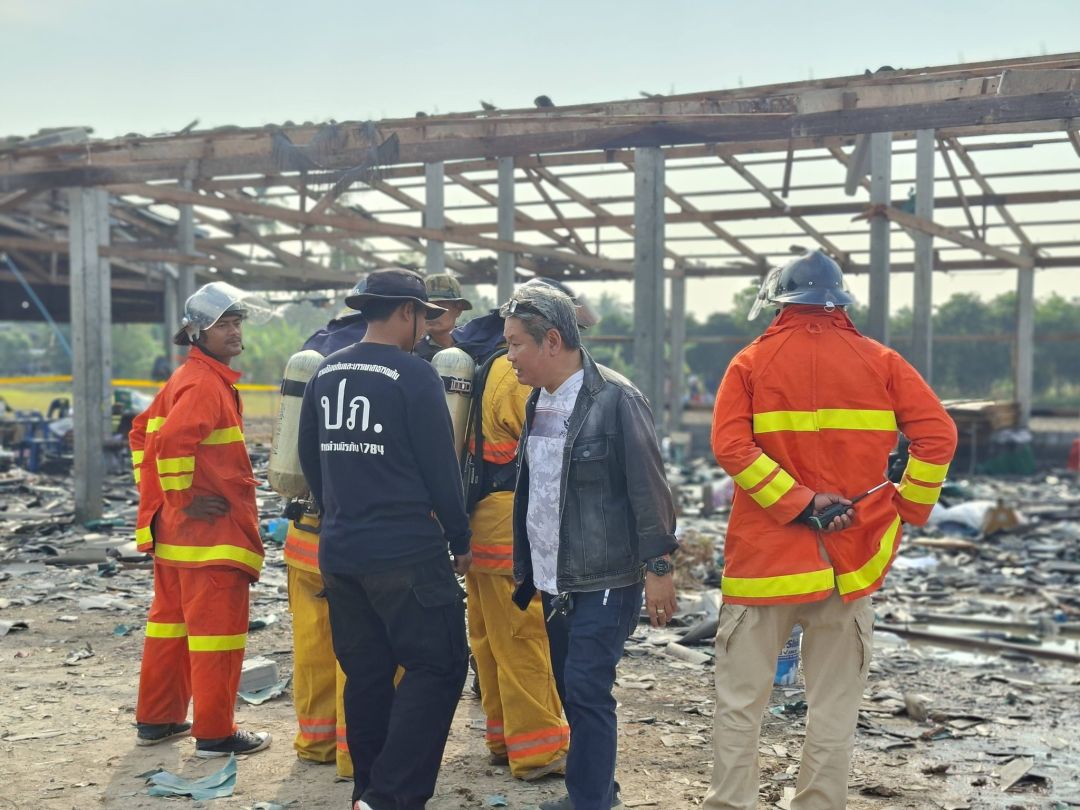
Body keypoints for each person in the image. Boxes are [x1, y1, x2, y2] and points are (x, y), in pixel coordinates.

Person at [704, 250, 958, 810]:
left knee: (742, 701)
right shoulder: (882, 362)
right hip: (851, 560)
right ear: (839, 302)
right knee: (834, 707)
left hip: (765, 563)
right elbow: (938, 435)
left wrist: (797, 502)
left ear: (778, 303)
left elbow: (731, 447)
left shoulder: (749, 363)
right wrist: (907, 507)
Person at [297, 268, 473, 810]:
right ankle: (391, 797)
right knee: (439, 663)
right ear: (405, 312)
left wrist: (342, 509)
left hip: (341, 550)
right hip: (405, 552)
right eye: (424, 316)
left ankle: (368, 791)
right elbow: (441, 469)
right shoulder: (415, 376)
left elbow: (308, 457)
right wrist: (460, 535)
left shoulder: (325, 372)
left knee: (367, 672)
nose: (426, 328)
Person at [505, 284, 678, 810]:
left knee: (585, 688)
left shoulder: (615, 399)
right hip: (554, 578)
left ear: (552, 340)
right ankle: (595, 791)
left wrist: (660, 566)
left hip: (606, 577)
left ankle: (590, 803)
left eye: (515, 345)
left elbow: (649, 488)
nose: (508, 356)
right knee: (570, 690)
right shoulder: (538, 401)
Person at [453, 277, 595, 782]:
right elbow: (545, 453)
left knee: (490, 638)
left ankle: (503, 737)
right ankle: (538, 751)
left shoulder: (489, 363)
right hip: (509, 525)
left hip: (480, 521)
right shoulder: (519, 376)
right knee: (523, 637)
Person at [129, 281, 274, 757]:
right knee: (218, 638)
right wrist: (184, 497)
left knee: (169, 629)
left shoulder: (186, 378)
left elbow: (140, 434)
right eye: (222, 325)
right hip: (210, 541)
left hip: (175, 539)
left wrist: (161, 501)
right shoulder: (204, 383)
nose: (234, 332)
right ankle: (214, 732)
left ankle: (158, 719)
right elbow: (170, 443)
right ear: (197, 334)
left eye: (236, 323)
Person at [283, 287, 372, 778]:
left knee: (313, 643)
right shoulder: (380, 367)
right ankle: (349, 752)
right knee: (360, 645)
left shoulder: (312, 359)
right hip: (353, 536)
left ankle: (315, 741)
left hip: (303, 532)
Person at [413, 273, 473, 361]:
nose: (432, 312)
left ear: (458, 309)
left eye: (440, 305)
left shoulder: (474, 348)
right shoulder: (412, 352)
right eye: (427, 306)